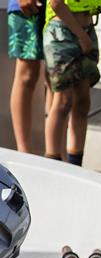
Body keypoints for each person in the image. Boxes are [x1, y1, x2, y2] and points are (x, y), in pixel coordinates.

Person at [42, 0, 101, 166]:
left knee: (83, 101)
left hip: (87, 30)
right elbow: (56, 3)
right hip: (62, 33)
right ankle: (52, 162)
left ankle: (75, 164)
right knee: (63, 101)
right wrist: (82, 36)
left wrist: (85, 35)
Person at [7, 0, 45, 152]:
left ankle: (55, 154)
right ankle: (23, 152)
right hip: (28, 7)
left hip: (65, 10)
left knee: (57, 79)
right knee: (27, 74)